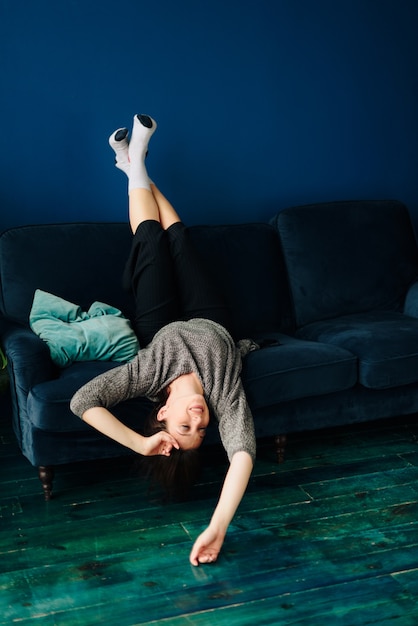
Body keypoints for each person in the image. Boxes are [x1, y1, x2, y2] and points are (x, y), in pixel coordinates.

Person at [70, 114, 257, 566]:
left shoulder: (147, 374)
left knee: (150, 243)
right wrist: (218, 525)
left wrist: (140, 443)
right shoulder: (224, 394)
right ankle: (134, 164)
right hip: (214, 322)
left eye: (183, 427)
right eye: (202, 429)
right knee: (180, 240)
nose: (197, 419)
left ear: (162, 413)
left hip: (161, 330)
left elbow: (82, 401)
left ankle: (133, 163)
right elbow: (243, 456)